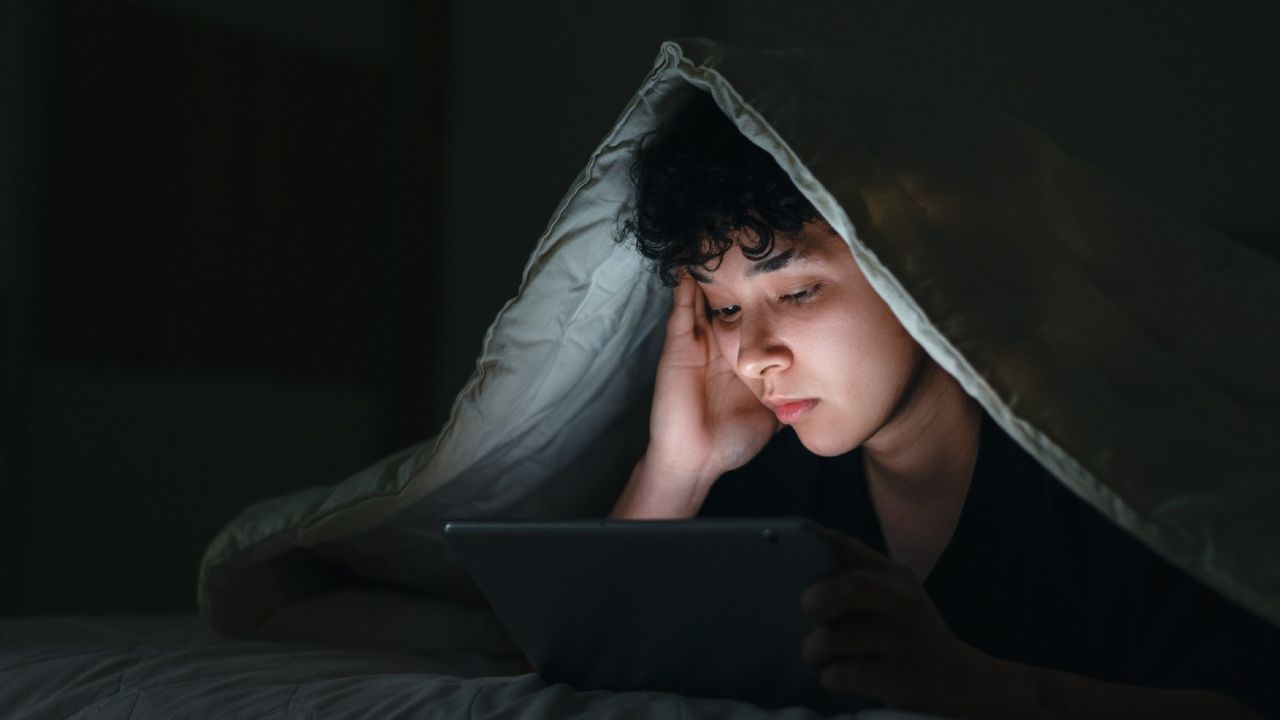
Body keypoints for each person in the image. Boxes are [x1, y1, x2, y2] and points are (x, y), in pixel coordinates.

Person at [609, 92, 1277, 718]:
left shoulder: (1103, 469)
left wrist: (971, 686)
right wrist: (676, 468)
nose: (752, 357)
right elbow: (573, 679)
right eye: (724, 308)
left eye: (796, 293)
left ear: (913, 263)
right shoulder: (770, 478)